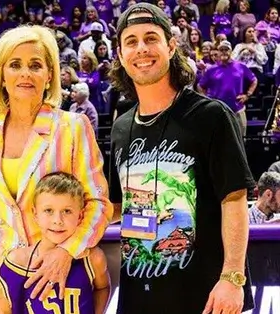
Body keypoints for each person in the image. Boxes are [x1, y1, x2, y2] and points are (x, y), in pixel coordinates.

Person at [108, 3, 254, 314]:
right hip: (139, 294)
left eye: (151, 38)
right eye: (131, 42)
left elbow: (235, 198)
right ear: (121, 54)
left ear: (171, 46)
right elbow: (115, 208)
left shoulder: (211, 116)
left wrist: (232, 277)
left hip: (207, 297)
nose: (141, 49)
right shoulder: (121, 128)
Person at [0, 25, 113, 314]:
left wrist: (66, 251)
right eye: (15, 65)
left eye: (35, 65)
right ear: (1, 75)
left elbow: (97, 204)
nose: (25, 74)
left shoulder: (72, 127)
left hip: (55, 276)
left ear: (49, 76)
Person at [0, 172, 111, 314]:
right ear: (35, 214)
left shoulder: (93, 259)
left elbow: (103, 288)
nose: (57, 220)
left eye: (67, 211)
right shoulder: (16, 262)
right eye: (48, 210)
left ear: (80, 216)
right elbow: (3, 310)